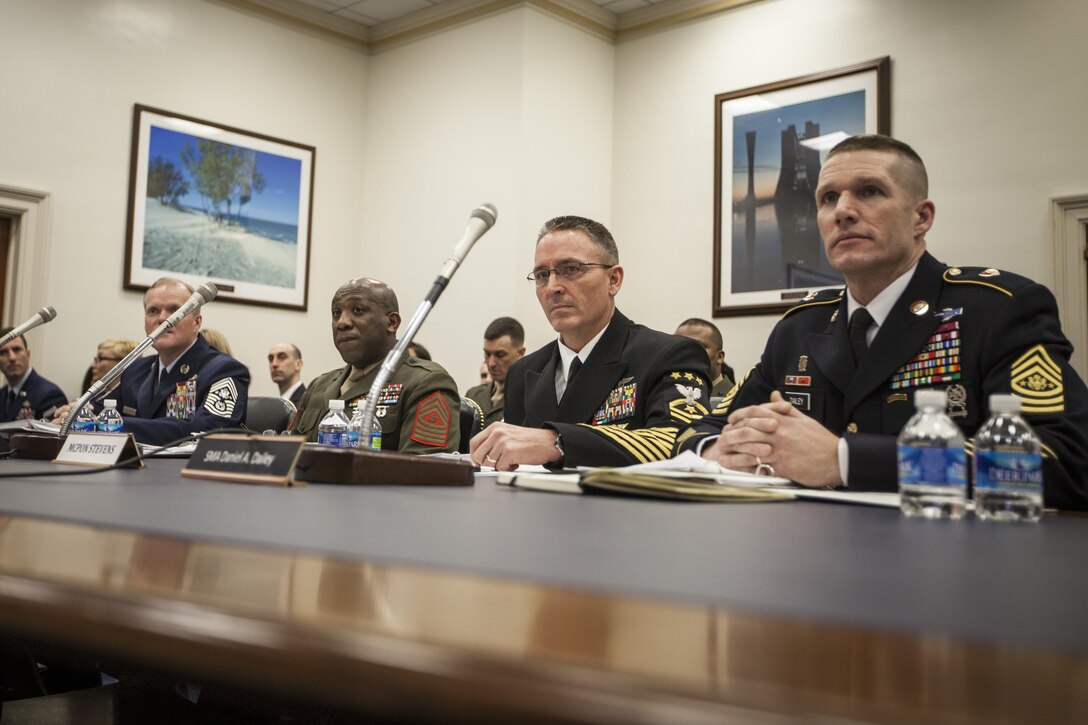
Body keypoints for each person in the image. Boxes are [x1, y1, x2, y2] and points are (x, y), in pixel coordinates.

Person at [676, 134, 1088, 510]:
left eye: (870, 192)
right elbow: (706, 425)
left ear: (921, 218)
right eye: (828, 198)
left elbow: (1065, 459)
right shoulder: (800, 326)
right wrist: (719, 450)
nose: (843, 212)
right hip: (804, 562)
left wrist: (846, 459)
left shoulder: (997, 310)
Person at [470, 215, 710, 470]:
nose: (552, 287)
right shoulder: (523, 372)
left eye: (571, 269)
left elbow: (683, 445)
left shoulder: (668, 355)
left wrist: (558, 442)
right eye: (542, 274)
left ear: (613, 280)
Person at [54, 278, 251, 445]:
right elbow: (100, 409)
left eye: (174, 310)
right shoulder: (136, 369)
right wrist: (77, 413)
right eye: (153, 311)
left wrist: (113, 425)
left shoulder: (224, 370)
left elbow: (205, 431)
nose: (163, 319)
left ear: (196, 323)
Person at [290, 278, 460, 453]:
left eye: (357, 310)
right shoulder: (319, 385)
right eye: (336, 313)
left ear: (392, 323)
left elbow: (426, 470)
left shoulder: (427, 382)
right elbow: (284, 456)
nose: (342, 322)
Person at [464, 317, 526, 428]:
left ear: (520, 353)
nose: (491, 363)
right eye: (487, 354)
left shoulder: (529, 397)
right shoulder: (473, 396)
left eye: (500, 355)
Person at [0, 330, 67, 421]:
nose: (12, 357)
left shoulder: (50, 395)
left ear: (28, 354)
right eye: (3, 352)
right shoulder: (2, 394)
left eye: (16, 349)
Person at [675, 318, 734, 397]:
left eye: (698, 346)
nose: (687, 352)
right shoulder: (664, 393)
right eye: (681, 346)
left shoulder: (737, 398)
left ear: (720, 357)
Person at [268, 342, 305, 407]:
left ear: (298, 364)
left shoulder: (307, 403)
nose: (274, 364)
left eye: (282, 357)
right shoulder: (273, 406)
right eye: (271, 359)